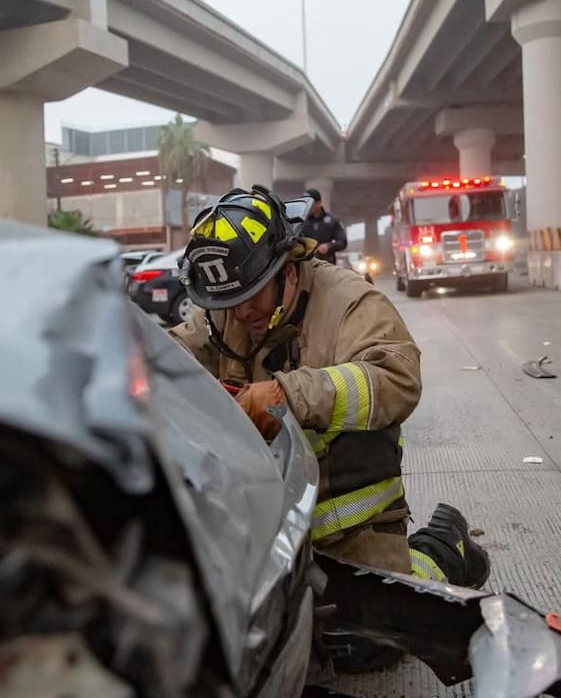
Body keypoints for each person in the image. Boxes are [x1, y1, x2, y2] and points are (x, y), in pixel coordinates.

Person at [169, 185, 490, 588]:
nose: (240, 312)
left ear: (285, 271)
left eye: (251, 297)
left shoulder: (349, 301)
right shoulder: (230, 310)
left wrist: (290, 397)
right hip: (268, 519)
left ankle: (445, 546)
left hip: (351, 524)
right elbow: (171, 352)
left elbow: (398, 378)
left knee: (371, 633)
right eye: (227, 301)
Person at [299, 188, 348, 265]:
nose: (307, 205)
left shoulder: (332, 221)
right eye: (306, 202)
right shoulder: (300, 221)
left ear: (318, 203)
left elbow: (342, 242)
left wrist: (328, 246)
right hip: (306, 265)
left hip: (326, 265)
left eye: (310, 203)